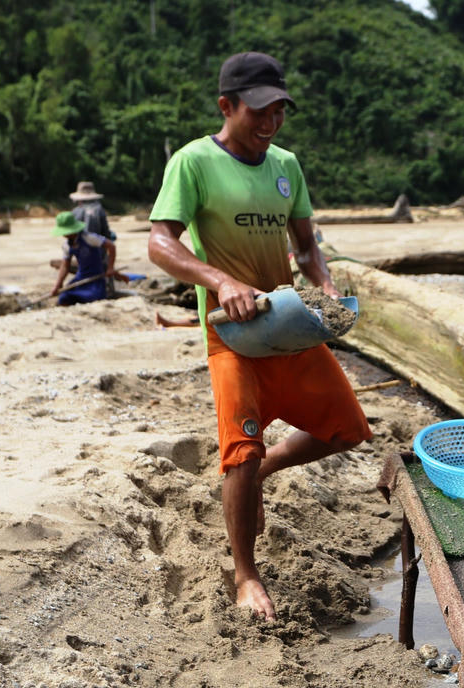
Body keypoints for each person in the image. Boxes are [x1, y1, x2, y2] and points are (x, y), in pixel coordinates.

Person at [147, 50, 372, 621]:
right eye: (259, 111)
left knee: (347, 429)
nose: (271, 122)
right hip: (234, 336)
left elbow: (307, 246)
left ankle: (266, 467)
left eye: (279, 111)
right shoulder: (194, 162)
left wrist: (325, 287)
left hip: (289, 325)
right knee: (239, 454)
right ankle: (246, 575)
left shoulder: (286, 165)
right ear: (227, 106)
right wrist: (221, 281)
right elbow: (160, 243)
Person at [49, 211, 122, 304]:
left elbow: (111, 246)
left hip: (96, 278)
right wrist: (58, 285)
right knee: (64, 298)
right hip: (81, 278)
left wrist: (110, 268)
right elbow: (65, 266)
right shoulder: (67, 245)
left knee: (93, 297)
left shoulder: (89, 238)